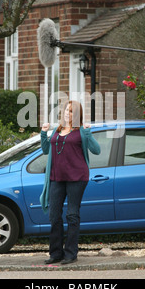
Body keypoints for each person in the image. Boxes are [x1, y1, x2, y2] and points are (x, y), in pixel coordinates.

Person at [40, 100, 101, 265]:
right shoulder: (56, 130)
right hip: (56, 178)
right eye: (66, 110)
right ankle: (56, 253)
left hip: (77, 177)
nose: (68, 113)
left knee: (72, 215)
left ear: (77, 115)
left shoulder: (81, 131)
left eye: (72, 111)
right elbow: (46, 150)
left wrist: (88, 133)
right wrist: (43, 134)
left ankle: (71, 254)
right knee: (54, 216)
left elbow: (97, 150)